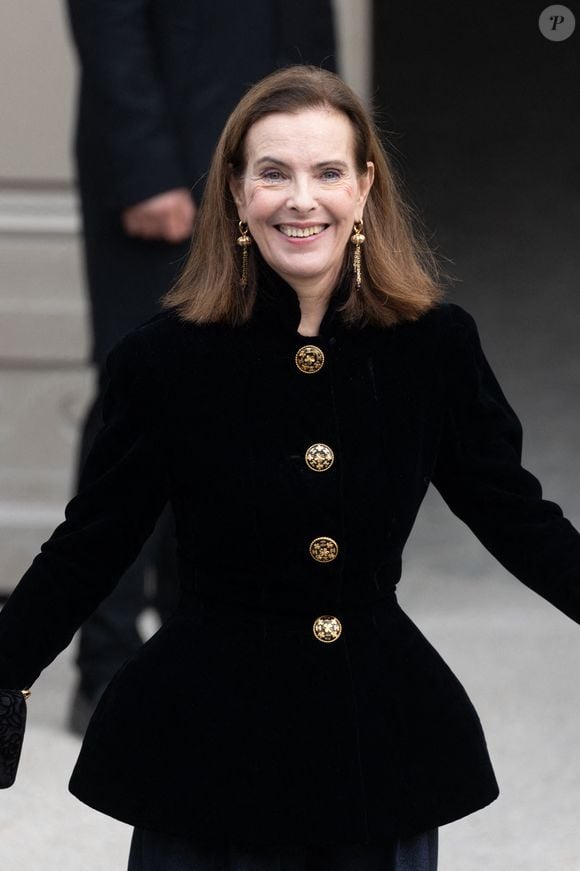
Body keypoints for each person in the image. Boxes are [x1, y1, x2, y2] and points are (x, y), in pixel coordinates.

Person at [1, 65, 579, 870]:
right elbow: (92, 541)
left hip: (376, 744)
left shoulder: (432, 347)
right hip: (207, 750)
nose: (301, 199)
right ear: (236, 194)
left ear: (365, 187)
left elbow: (515, 511)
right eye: (273, 173)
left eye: (328, 172)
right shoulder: (164, 361)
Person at [64, 0, 336, 731]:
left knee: (249, 396)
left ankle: (211, 649)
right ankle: (108, 664)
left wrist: (322, 159)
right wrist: (144, 162)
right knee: (143, 399)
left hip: (274, 179)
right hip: (166, 167)